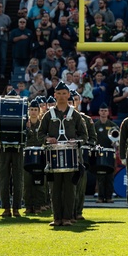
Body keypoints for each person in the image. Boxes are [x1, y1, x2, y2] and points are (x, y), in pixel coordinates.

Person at [38, 83, 88, 227]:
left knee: (69, 188)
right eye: (58, 93)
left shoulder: (75, 114)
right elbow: (40, 133)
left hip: (71, 156)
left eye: (64, 93)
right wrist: (47, 139)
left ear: (68, 95)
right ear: (55, 95)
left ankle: (67, 217)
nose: (61, 96)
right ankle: (57, 218)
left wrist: (76, 141)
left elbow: (84, 135)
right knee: (54, 188)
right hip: (53, 157)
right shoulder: (49, 114)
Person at [0, 91, 25, 219]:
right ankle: (6, 208)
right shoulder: (0, 114)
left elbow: (25, 133)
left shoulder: (24, 114)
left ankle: (16, 208)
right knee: (4, 180)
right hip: (4, 149)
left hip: (18, 149)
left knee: (18, 180)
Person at [23, 103, 45, 214]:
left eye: (35, 109)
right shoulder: (25, 124)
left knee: (39, 183)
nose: (33, 111)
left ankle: (38, 206)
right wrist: (26, 129)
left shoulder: (42, 125)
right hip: (27, 157)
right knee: (27, 183)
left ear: (39, 111)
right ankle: (28, 206)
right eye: (31, 109)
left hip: (39, 157)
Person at [93, 106, 118, 202]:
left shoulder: (113, 125)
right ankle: (100, 196)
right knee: (100, 176)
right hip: (99, 152)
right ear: (99, 112)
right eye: (102, 110)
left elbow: (118, 140)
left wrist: (115, 143)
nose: (103, 112)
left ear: (108, 112)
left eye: (105, 111)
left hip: (110, 152)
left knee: (110, 175)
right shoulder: (95, 125)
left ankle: (109, 197)